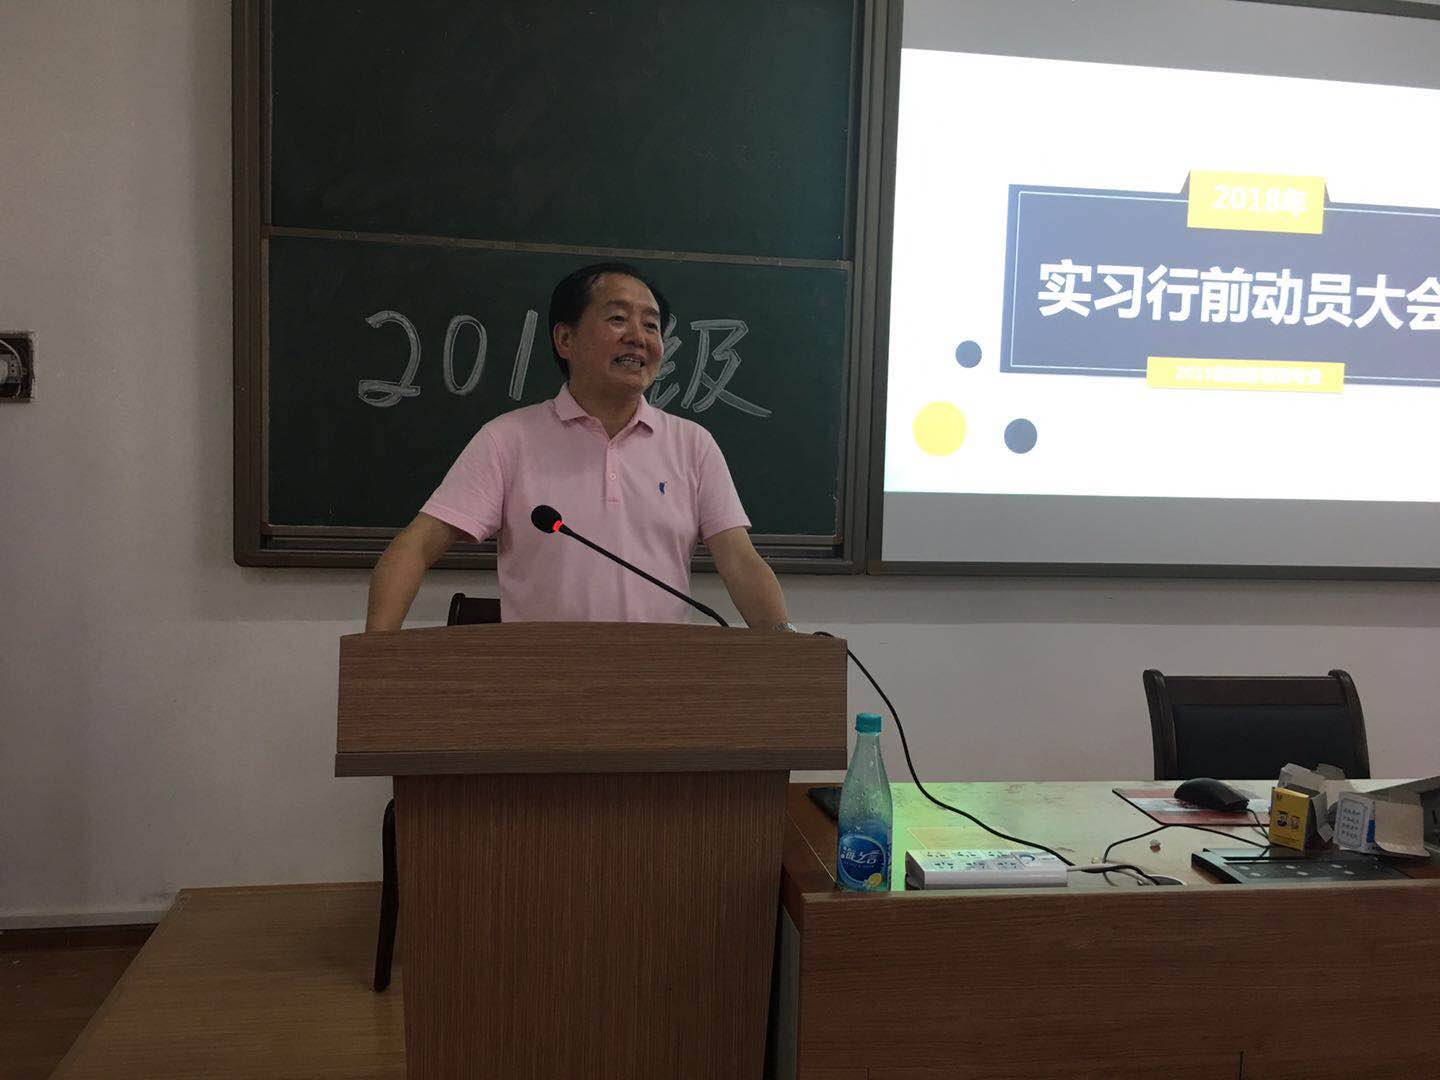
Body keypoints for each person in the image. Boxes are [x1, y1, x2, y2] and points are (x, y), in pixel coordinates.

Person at [364, 262, 792, 632]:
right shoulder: (507, 439)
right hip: (545, 684)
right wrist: (375, 658)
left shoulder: (692, 444)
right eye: (618, 319)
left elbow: (740, 561)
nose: (639, 337)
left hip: (658, 682)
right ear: (565, 340)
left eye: (651, 325)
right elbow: (416, 546)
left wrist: (787, 646)